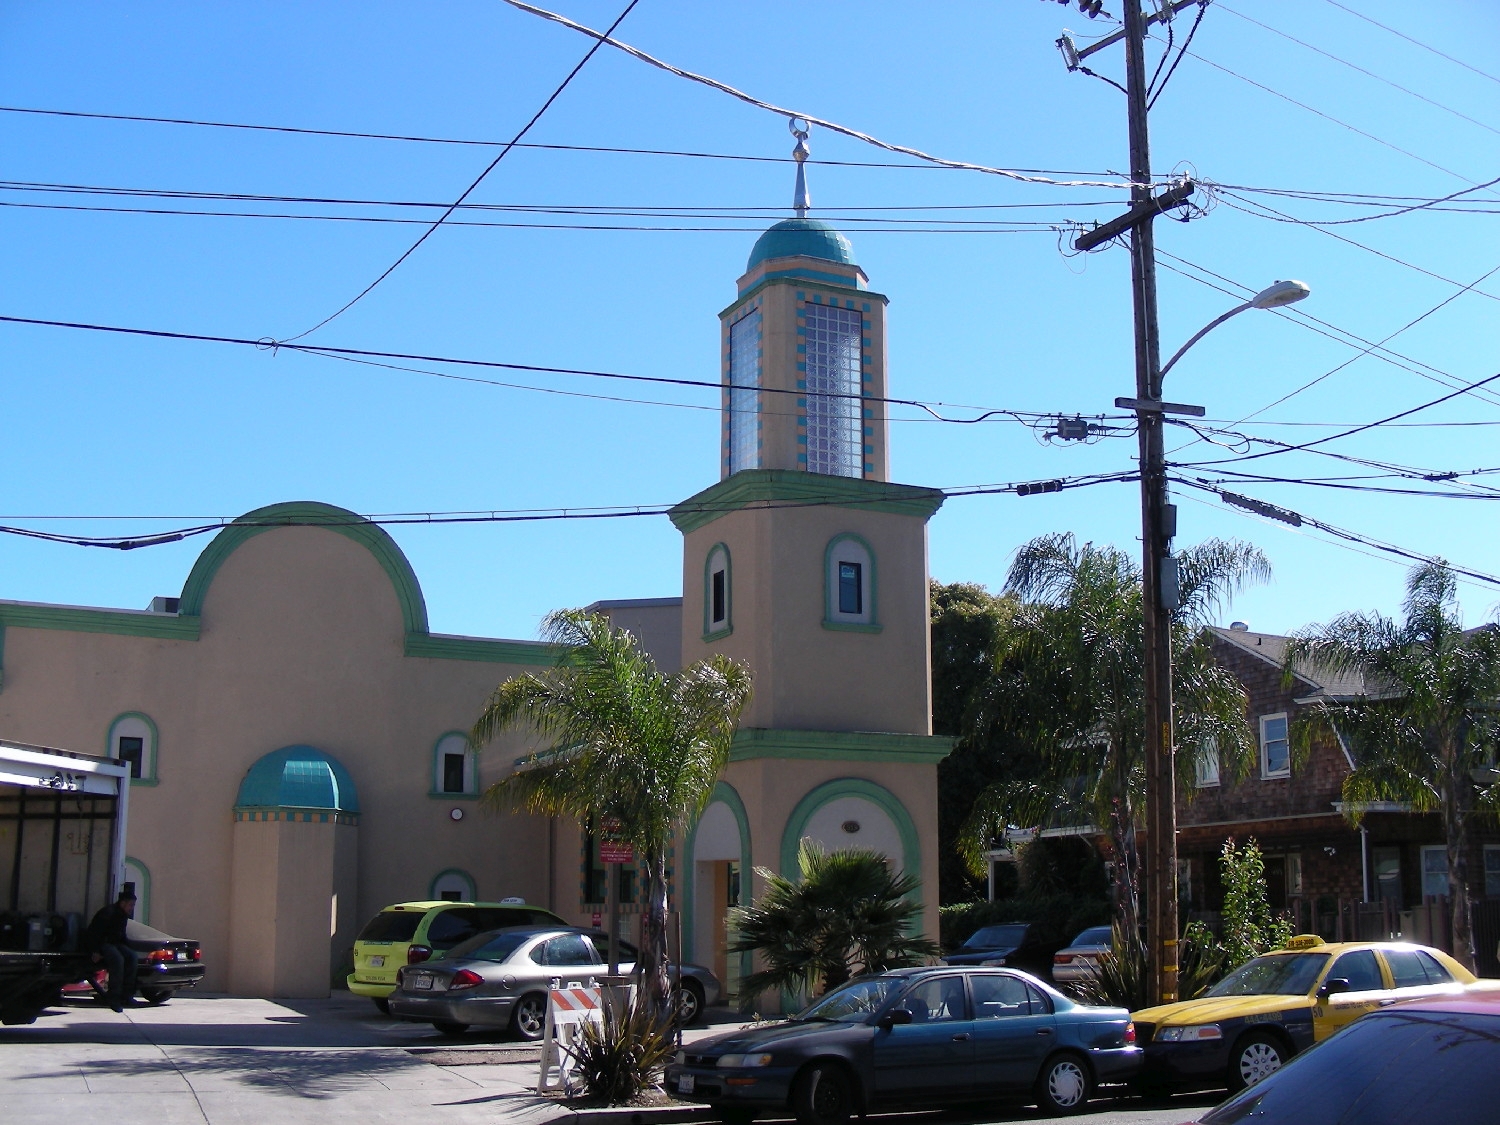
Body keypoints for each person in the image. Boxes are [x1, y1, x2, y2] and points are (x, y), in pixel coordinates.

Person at [83, 885, 140, 1011]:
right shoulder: (108, 913)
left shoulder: (123, 916)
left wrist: (129, 948)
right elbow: (95, 933)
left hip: (115, 943)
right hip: (102, 943)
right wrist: (95, 951)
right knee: (117, 960)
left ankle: (127, 995)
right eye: (130, 905)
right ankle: (114, 998)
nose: (132, 908)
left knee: (132, 957)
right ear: (123, 903)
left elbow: (121, 935)